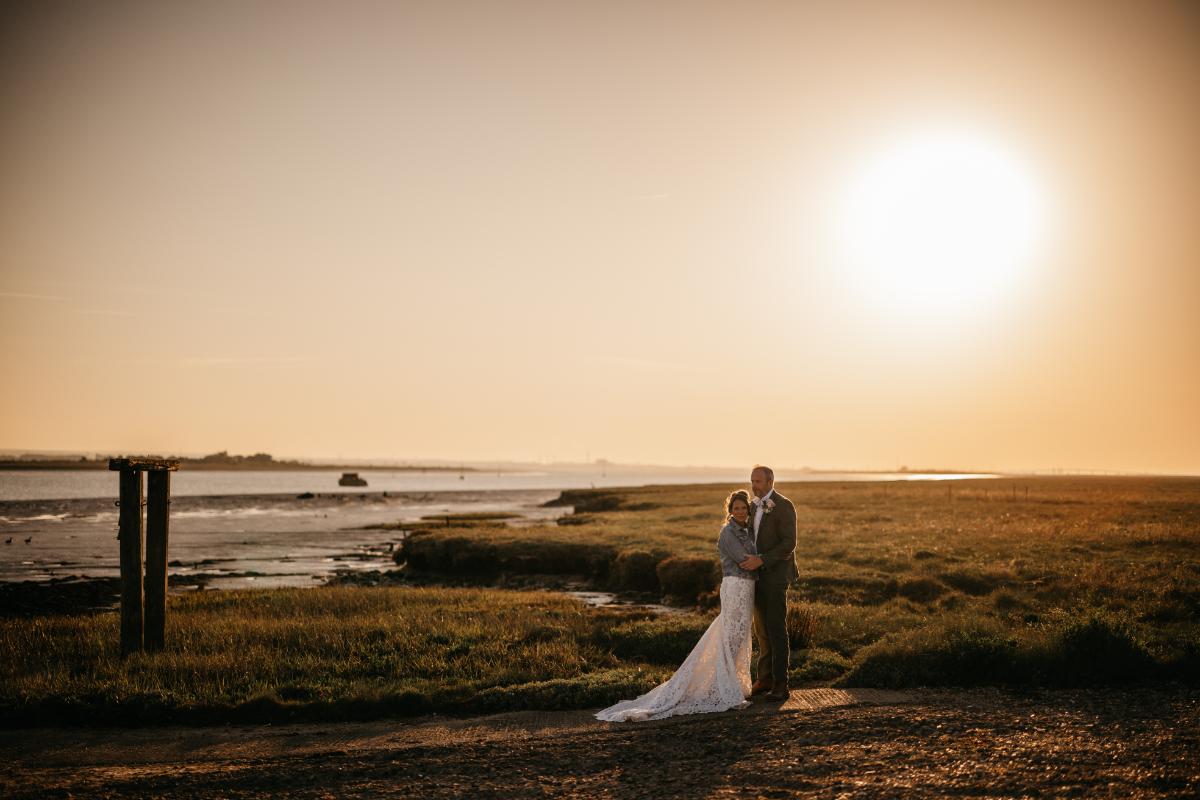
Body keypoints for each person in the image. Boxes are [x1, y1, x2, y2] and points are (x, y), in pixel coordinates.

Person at [594, 490, 760, 722]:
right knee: (730, 635)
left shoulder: (748, 529)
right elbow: (744, 561)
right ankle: (721, 687)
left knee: (739, 636)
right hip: (735, 587)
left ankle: (731, 684)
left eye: (744, 508)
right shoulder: (727, 532)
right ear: (730, 511)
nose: (741, 512)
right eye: (736, 508)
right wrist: (765, 560)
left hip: (748, 588)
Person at [747, 464, 798, 702]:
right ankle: (764, 678)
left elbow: (788, 544)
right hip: (755, 577)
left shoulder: (784, 506)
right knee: (761, 630)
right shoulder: (753, 506)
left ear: (770, 482)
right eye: (752, 481)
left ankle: (781, 683)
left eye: (758, 482)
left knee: (776, 629)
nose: (754, 485)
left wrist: (762, 561)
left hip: (776, 576)